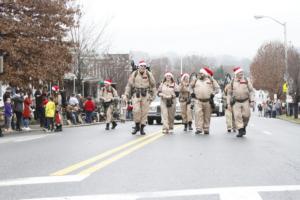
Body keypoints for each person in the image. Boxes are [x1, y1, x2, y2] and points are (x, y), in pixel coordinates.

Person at [124, 60, 157, 135]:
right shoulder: (134, 74)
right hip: (136, 94)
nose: (143, 67)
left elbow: (153, 86)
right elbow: (129, 85)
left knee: (144, 112)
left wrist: (153, 96)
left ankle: (142, 128)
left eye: (144, 66)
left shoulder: (149, 74)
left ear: (145, 67)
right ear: (139, 66)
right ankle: (137, 125)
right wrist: (126, 94)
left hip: (146, 95)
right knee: (136, 110)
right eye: (141, 66)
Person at [191, 67, 220, 135]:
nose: (200, 74)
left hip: (207, 101)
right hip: (198, 100)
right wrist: (192, 93)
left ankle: (206, 128)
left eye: (201, 73)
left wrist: (213, 94)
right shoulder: (196, 80)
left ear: (205, 74)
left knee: (207, 116)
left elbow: (217, 88)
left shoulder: (210, 80)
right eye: (199, 73)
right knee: (198, 115)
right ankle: (199, 129)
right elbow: (190, 87)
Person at [227, 67, 254, 137]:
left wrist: (252, 101)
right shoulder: (232, 81)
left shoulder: (246, 80)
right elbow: (229, 93)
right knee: (237, 116)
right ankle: (240, 130)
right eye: (240, 73)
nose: (241, 74)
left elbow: (251, 91)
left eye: (242, 72)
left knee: (246, 116)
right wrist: (228, 103)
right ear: (236, 74)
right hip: (236, 102)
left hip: (245, 101)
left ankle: (244, 126)